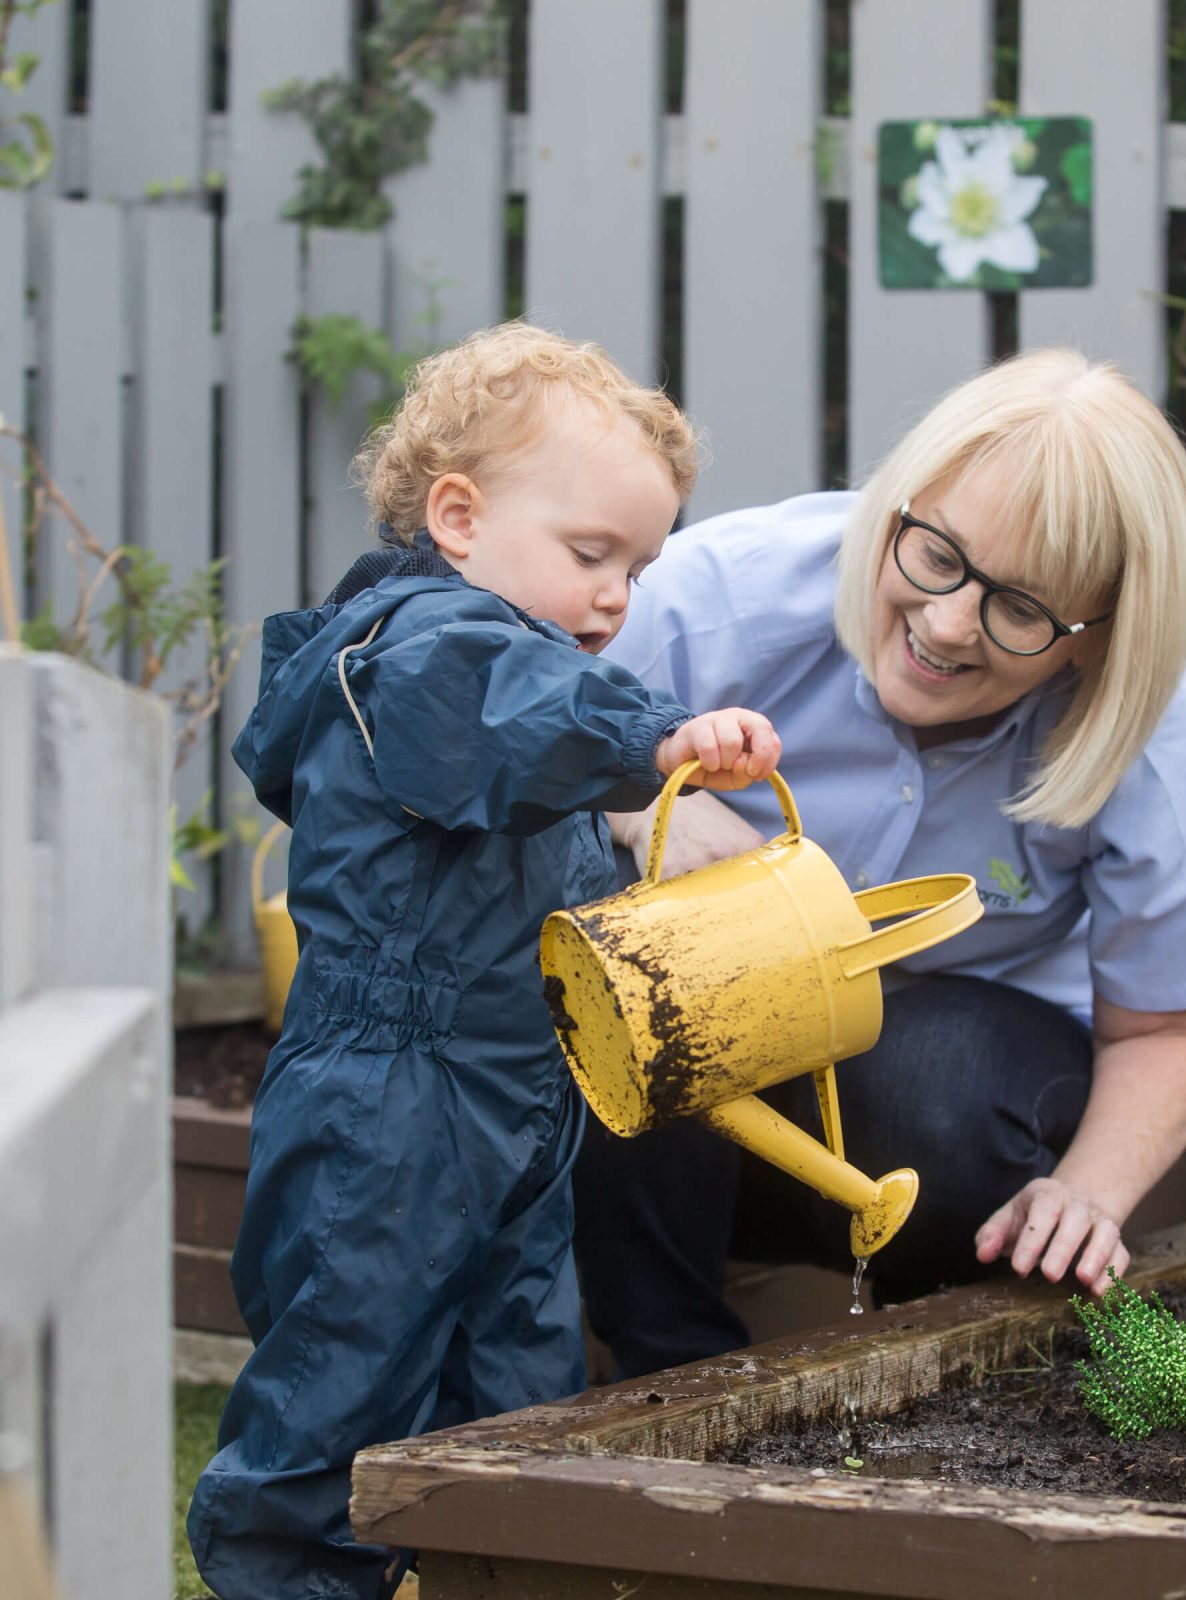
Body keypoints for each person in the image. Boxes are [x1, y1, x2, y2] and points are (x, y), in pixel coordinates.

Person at [187, 321, 780, 1600]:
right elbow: (529, 717)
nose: (619, 593)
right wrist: (662, 735)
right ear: (457, 516)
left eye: (640, 562)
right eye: (590, 553)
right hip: (387, 1098)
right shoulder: (418, 651)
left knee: (516, 1382)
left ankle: (500, 1567)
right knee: (345, 1367)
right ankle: (288, 1577)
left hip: (516, 1092)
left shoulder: (515, 673)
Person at [574, 347, 1186, 1379]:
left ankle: (941, 1358)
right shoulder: (729, 594)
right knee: (674, 960)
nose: (944, 625)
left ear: (1097, 639)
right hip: (675, 1088)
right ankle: (662, 1363)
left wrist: (1091, 1193)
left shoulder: (1149, 737)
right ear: (900, 504)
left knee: (963, 1102)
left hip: (939, 1067)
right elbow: (513, 731)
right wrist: (632, 809)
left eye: (1020, 610)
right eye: (936, 554)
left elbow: (1163, 1026)